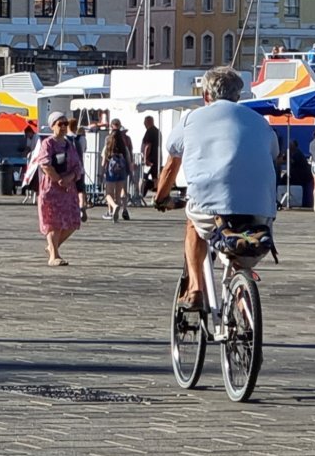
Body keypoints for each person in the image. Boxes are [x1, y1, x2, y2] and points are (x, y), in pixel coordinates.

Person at [155, 68, 279, 307]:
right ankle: (244, 308)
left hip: (209, 201)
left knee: (194, 224)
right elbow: (272, 154)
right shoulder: (260, 122)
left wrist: (161, 198)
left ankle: (195, 289)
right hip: (260, 205)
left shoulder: (192, 119)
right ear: (238, 96)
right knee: (241, 252)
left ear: (206, 96)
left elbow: (171, 164)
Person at [33, 115, 85, 266]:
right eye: (60, 124)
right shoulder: (47, 143)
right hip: (51, 189)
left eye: (65, 123)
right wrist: (57, 179)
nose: (63, 126)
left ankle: (52, 247)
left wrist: (70, 178)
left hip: (68, 189)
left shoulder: (69, 144)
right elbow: (44, 163)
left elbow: (78, 166)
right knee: (53, 222)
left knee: (73, 221)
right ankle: (54, 256)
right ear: (52, 126)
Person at [99, 121, 133, 221]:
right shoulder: (124, 146)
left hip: (111, 171)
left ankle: (114, 207)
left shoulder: (108, 146)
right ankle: (116, 215)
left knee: (108, 193)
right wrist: (130, 172)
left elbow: (103, 161)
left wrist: (101, 173)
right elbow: (128, 159)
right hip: (121, 171)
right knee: (118, 194)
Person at [139, 117, 163, 198]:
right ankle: (158, 195)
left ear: (148, 122)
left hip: (150, 159)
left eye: (145, 122)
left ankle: (141, 194)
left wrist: (145, 158)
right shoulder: (157, 131)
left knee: (144, 177)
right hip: (156, 158)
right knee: (155, 177)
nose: (144, 124)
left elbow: (147, 146)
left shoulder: (150, 131)